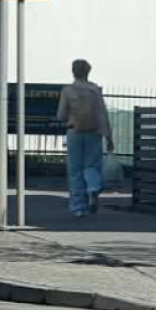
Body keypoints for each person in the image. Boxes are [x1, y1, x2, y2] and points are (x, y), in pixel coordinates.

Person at [56, 59, 114, 216]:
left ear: (73, 71)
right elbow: (103, 114)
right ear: (89, 71)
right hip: (94, 132)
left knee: (75, 170)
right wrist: (109, 137)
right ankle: (93, 187)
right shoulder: (95, 90)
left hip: (74, 131)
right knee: (92, 165)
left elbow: (61, 115)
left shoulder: (68, 91)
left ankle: (79, 208)